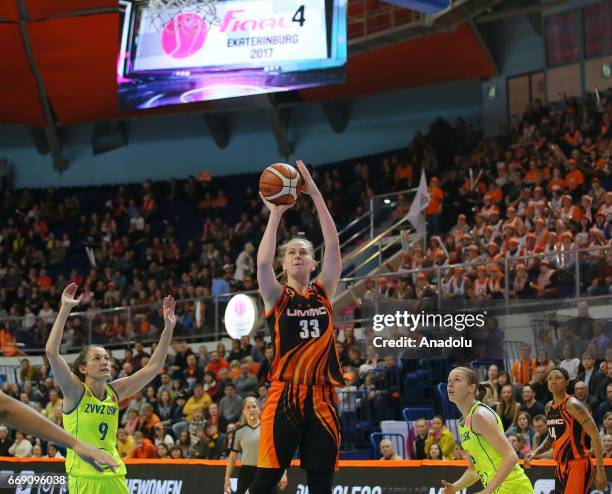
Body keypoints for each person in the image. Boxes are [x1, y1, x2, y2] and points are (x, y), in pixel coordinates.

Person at [251, 160, 343, 494]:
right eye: (291, 253)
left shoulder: (324, 291)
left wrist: (314, 192)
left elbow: (333, 244)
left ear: (313, 262)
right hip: (285, 394)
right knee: (266, 481)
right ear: (284, 263)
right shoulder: (277, 296)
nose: (297, 256)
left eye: (303, 252)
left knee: (321, 484)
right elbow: (262, 262)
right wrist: (276, 212)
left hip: (323, 397)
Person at [45, 283, 176, 494]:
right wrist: (64, 309)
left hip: (115, 477)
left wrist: (168, 328)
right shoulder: (74, 391)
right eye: (97, 358)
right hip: (84, 479)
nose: (105, 361)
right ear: (82, 368)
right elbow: (52, 352)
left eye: (106, 358)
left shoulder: (114, 392)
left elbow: (153, 367)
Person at [442, 367, 533, 494]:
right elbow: (474, 470)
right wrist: (455, 487)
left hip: (512, 487)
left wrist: (487, 491)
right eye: (449, 380)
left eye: (457, 380)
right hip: (497, 488)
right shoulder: (463, 423)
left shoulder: (479, 415)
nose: (450, 384)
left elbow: (511, 456)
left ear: (472, 387)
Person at [525, 368, 607, 492]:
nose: (553, 381)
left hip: (578, 463)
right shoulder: (548, 407)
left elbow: (595, 434)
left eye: (558, 377)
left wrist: (601, 470)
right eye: (550, 378)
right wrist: (535, 452)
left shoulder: (572, 405)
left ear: (567, 382)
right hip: (561, 466)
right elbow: (552, 435)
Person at [224, 397, 287, 494]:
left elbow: (279, 452)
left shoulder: (269, 428)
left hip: (266, 472)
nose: (251, 410)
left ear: (259, 409)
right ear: (243, 411)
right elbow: (232, 457)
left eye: (254, 406)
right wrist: (227, 478)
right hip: (246, 474)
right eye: (248, 407)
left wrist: (283, 473)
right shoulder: (239, 432)